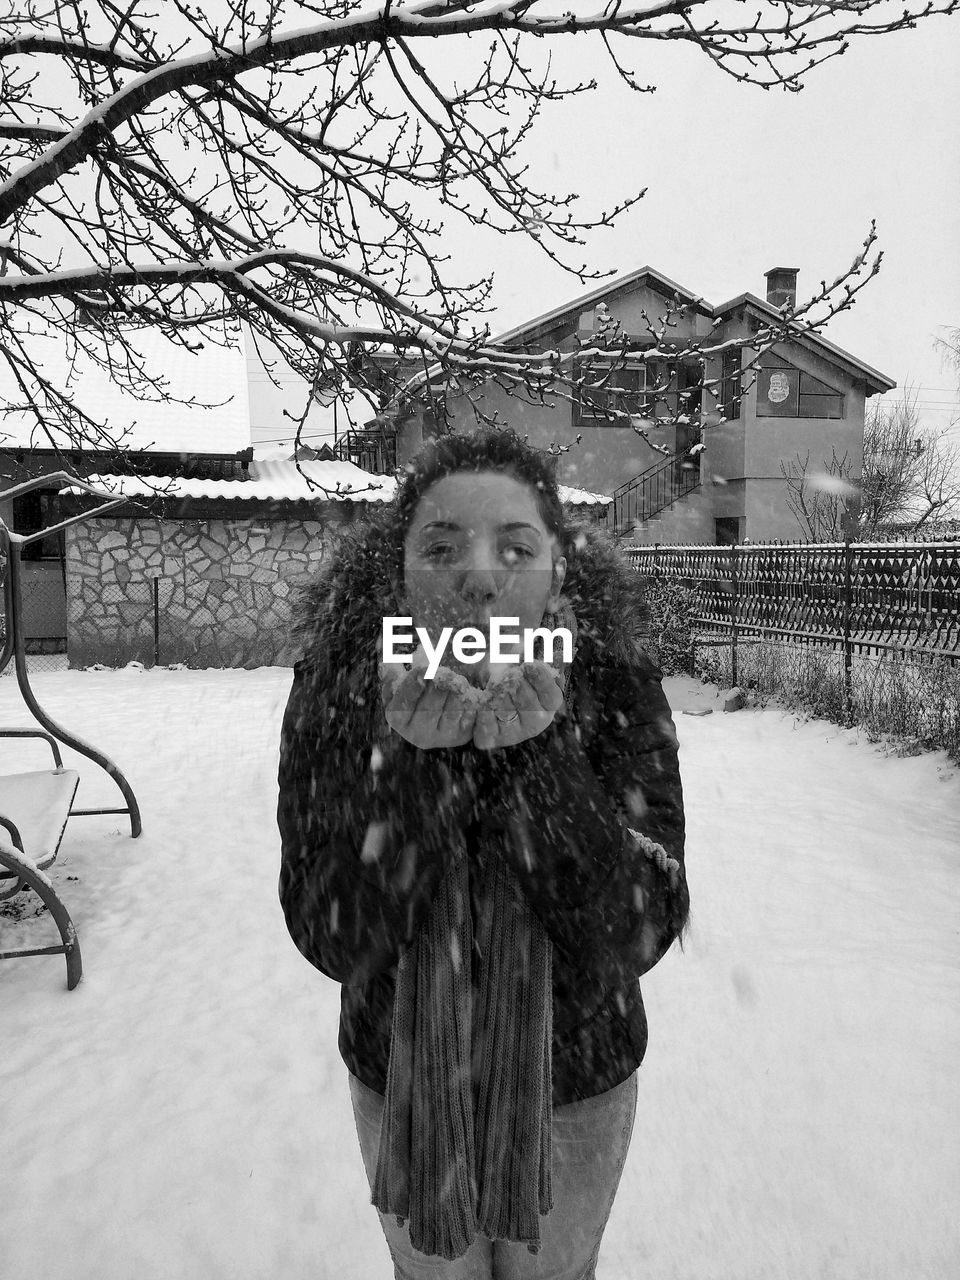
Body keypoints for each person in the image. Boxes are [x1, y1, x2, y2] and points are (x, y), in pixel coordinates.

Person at [278, 427, 689, 1280]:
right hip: (403, 1079)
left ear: (558, 571)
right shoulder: (342, 684)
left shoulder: (611, 681)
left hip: (574, 1081)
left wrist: (539, 764)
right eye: (442, 544)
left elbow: (638, 929)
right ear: (401, 572)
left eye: (515, 544)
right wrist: (417, 780)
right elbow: (330, 933)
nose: (479, 572)